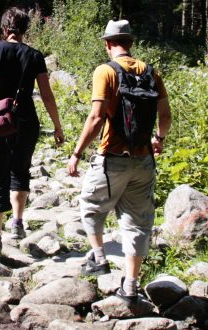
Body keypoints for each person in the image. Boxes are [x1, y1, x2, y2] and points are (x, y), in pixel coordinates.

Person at [67, 20, 172, 297]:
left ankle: (99, 259)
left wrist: (76, 153)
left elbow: (96, 117)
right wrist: (159, 140)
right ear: (130, 43)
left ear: (107, 43)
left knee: (91, 204)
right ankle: (130, 286)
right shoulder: (151, 72)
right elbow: (166, 116)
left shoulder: (106, 71)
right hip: (144, 160)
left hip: (112, 158)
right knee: (138, 222)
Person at [0, 7, 65, 256]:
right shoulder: (34, 55)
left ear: (4, 27)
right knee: (20, 170)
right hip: (26, 121)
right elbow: (46, 94)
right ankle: (18, 223)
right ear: (25, 29)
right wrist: (57, 125)